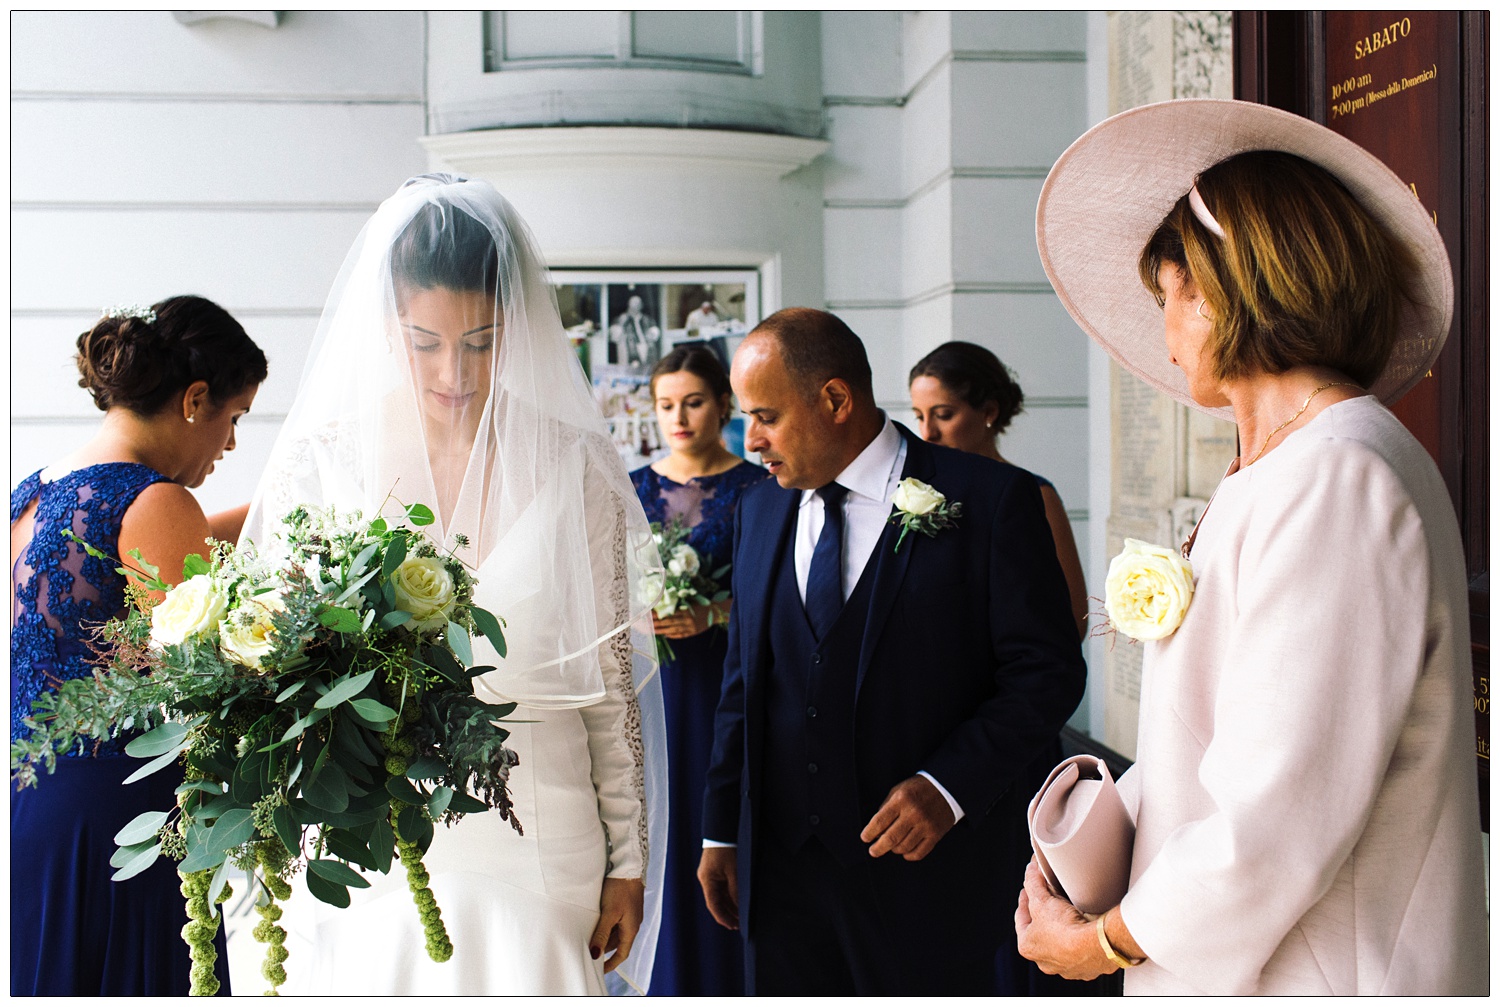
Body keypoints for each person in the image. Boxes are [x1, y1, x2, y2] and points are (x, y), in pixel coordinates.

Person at [1017, 99, 1487, 995]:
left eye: (1169, 296)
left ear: (1222, 287)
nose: (1164, 329)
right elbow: (1220, 746)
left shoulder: (1338, 477)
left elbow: (1277, 812)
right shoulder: (1279, 467)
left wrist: (1103, 942)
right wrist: (1087, 863)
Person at [242, 174, 668, 996]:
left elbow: (611, 684)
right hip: (366, 827)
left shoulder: (576, 464)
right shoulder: (323, 461)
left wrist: (628, 859)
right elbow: (274, 670)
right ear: (384, 324)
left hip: (542, 832)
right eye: (425, 340)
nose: (455, 371)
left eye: (481, 340)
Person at [698, 307, 1086, 994]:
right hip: (782, 876)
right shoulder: (756, 511)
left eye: (765, 416)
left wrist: (949, 785)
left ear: (836, 400)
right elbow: (743, 685)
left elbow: (1047, 673)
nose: (750, 439)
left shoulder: (994, 500)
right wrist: (721, 832)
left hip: (927, 885)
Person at [11, 295, 267, 995]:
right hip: (126, 829)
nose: (232, 445)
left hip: (34, 814)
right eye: (235, 418)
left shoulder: (33, 494)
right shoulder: (156, 502)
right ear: (195, 399)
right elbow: (212, 684)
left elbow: (129, 570)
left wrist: (276, 505)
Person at [630, 344, 763, 995]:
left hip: (727, 686)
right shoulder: (631, 488)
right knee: (657, 821)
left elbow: (784, 600)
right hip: (651, 685)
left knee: (722, 820)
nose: (678, 416)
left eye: (694, 401)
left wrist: (712, 616)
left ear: (724, 405)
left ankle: (728, 975)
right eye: (665, 404)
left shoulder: (760, 489)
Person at [909, 341, 1088, 639]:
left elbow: (1072, 619)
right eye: (919, 416)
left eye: (943, 415)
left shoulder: (1035, 494)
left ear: (989, 411)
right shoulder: (917, 495)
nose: (927, 433)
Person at [611, 294, 661, 370]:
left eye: (637, 304)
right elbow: (614, 335)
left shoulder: (647, 319)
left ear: (641, 306)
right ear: (629, 305)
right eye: (633, 303)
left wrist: (651, 334)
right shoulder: (622, 319)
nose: (635, 306)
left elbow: (654, 333)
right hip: (626, 350)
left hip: (644, 347)